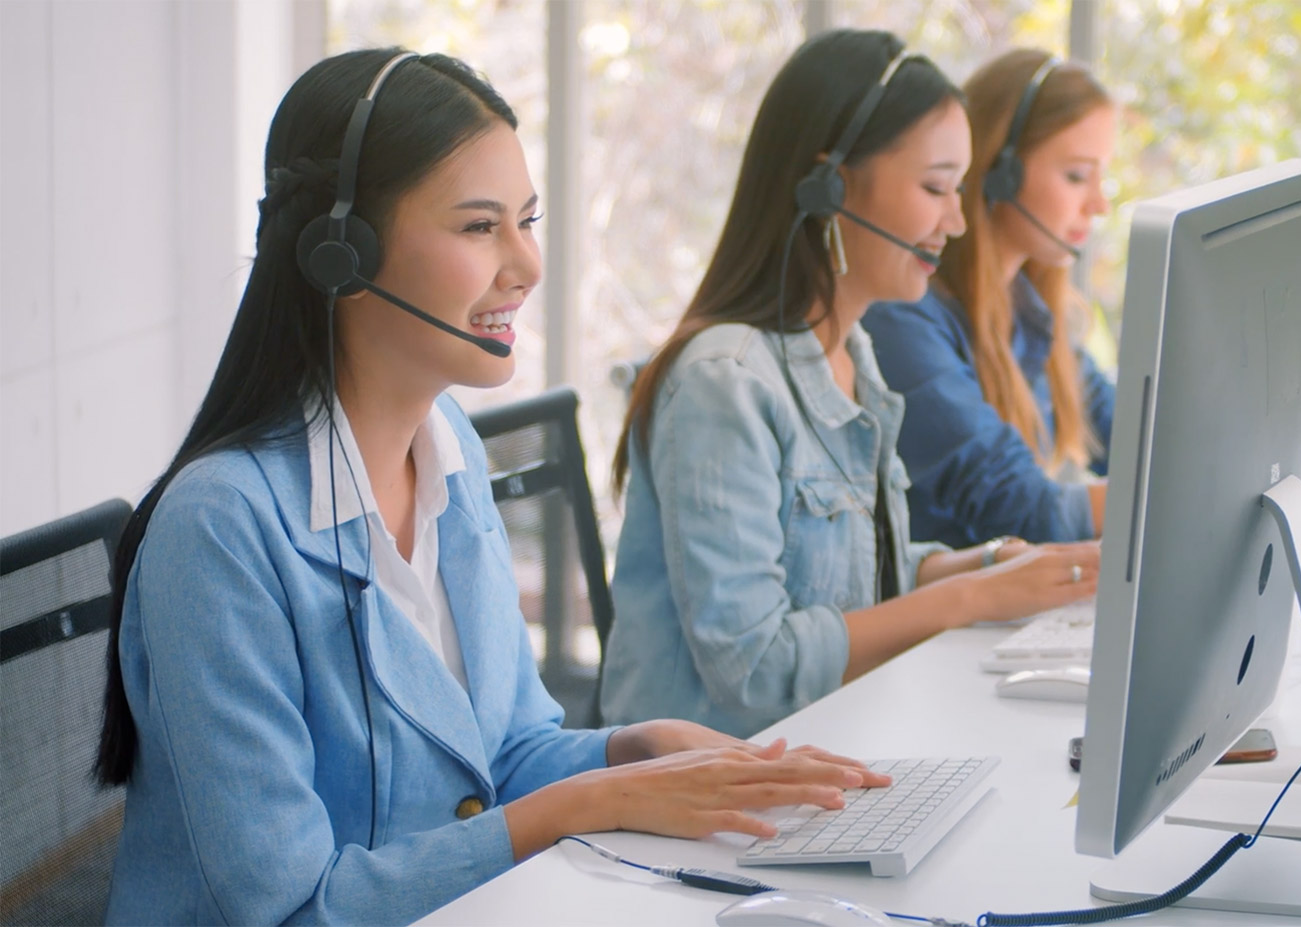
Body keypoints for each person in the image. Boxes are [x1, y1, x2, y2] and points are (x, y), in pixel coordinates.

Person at [95, 49, 888, 926]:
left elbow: (503, 754)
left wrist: (633, 749)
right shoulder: (220, 529)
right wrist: (591, 802)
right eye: (479, 227)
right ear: (340, 254)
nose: (527, 264)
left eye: (528, 221)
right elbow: (291, 909)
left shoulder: (450, 452)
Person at [602, 30, 1101, 739]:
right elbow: (752, 666)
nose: (957, 223)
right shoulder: (725, 383)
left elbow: (858, 577)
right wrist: (968, 600)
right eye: (935, 188)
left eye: (959, 191)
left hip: (836, 742)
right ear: (828, 187)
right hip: (725, 776)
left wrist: (991, 566)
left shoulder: (851, 353)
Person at [862, 48, 1301, 549]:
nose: (1099, 203)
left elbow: (1140, 438)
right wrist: (1247, 476)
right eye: (1076, 176)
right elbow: (1028, 510)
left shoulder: (1030, 314)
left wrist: (1275, 458)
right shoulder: (906, 318)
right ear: (1000, 172)